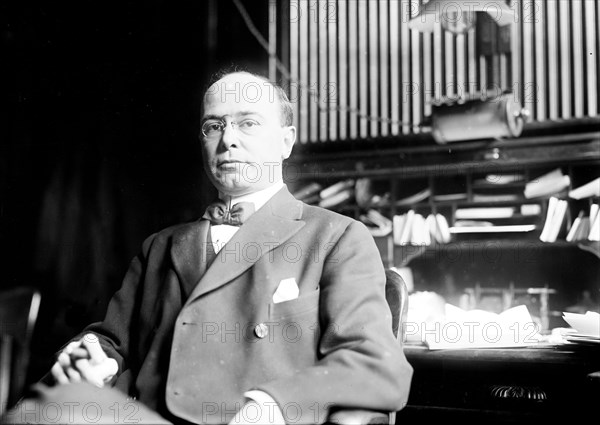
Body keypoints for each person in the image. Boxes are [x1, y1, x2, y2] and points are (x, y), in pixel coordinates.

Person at [10, 70, 413, 424]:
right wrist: (94, 357)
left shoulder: (335, 236)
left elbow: (375, 363)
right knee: (49, 402)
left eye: (248, 124)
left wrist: (275, 404)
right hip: (147, 417)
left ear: (286, 142)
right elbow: (112, 338)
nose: (228, 141)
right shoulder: (161, 246)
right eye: (213, 126)